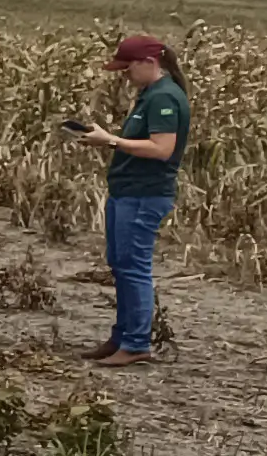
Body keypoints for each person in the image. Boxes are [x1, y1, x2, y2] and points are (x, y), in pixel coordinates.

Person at [69, 35, 187, 366]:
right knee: (121, 265)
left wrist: (110, 141)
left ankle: (136, 344)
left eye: (128, 68)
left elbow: (162, 149)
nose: (124, 75)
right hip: (128, 192)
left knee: (133, 268)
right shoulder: (150, 94)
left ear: (149, 63)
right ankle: (122, 337)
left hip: (144, 195)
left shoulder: (165, 98)